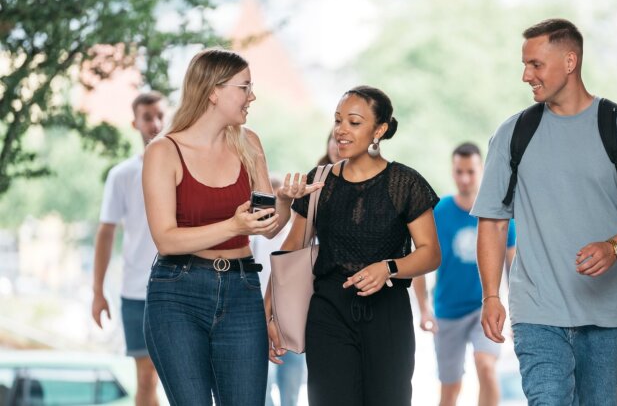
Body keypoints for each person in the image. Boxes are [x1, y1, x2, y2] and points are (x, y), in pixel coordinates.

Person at [471, 18, 617, 404]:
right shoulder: (512, 135)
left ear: (570, 61)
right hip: (537, 311)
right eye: (524, 64)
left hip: (607, 313)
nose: (525, 75)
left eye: (536, 64)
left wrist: (614, 247)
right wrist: (490, 296)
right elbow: (494, 221)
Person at [141, 48, 320, 406]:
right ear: (213, 91)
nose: (252, 96)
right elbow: (166, 239)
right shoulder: (164, 151)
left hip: (241, 290)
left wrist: (285, 201)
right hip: (178, 293)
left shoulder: (248, 143)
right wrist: (232, 224)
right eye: (244, 87)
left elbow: (267, 228)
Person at [266, 85, 441, 406]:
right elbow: (291, 249)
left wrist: (389, 267)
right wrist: (269, 312)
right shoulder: (319, 181)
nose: (341, 130)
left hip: (388, 315)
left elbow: (430, 253)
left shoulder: (406, 182)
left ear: (380, 129)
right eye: (338, 120)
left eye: (354, 122)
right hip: (328, 314)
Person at [412, 142, 516, 406]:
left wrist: (517, 311)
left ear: (481, 170)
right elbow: (420, 263)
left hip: (484, 309)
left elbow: (513, 267)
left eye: (471, 171)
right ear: (452, 171)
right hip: (447, 311)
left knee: (487, 368)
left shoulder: (499, 213)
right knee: (450, 388)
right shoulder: (439, 212)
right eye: (459, 171)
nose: (465, 178)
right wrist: (423, 309)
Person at [91, 91, 165, 406]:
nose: (156, 123)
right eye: (148, 117)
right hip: (136, 292)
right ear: (135, 122)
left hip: (181, 286)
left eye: (160, 115)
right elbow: (105, 233)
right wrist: (97, 292)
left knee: (183, 376)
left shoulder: (186, 170)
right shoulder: (121, 175)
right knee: (146, 377)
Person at [253, 175, 306, 406]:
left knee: (291, 386)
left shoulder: (300, 235)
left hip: (293, 317)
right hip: (260, 312)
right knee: (260, 385)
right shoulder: (254, 238)